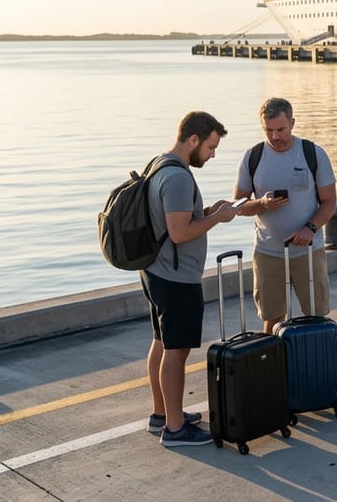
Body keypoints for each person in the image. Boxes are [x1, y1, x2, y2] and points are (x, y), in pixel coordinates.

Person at [141, 111, 239, 447]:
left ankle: (161, 415)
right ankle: (176, 428)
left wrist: (209, 212)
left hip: (156, 271)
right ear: (193, 139)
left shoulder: (160, 164)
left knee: (161, 343)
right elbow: (180, 232)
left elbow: (176, 221)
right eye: (211, 147)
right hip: (176, 278)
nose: (213, 154)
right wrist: (219, 219)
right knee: (177, 351)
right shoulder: (179, 178)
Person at [234, 98, 337, 335]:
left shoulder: (313, 153)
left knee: (315, 317)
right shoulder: (253, 157)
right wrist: (261, 204)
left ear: (292, 123)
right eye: (268, 130)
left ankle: (311, 367)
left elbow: (330, 201)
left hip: (308, 252)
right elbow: (238, 206)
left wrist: (310, 228)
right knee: (272, 319)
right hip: (268, 252)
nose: (275, 136)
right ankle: (273, 370)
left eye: (280, 129)